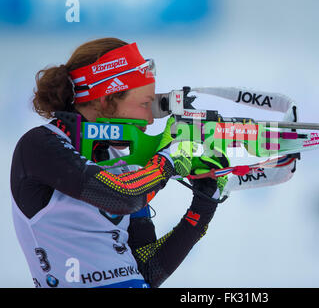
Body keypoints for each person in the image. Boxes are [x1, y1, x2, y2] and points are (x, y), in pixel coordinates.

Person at [10, 37, 228, 288]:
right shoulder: (40, 145)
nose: (149, 120)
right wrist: (170, 159)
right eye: (145, 105)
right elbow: (123, 196)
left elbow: (146, 268)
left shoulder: (125, 164)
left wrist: (203, 206)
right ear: (106, 99)